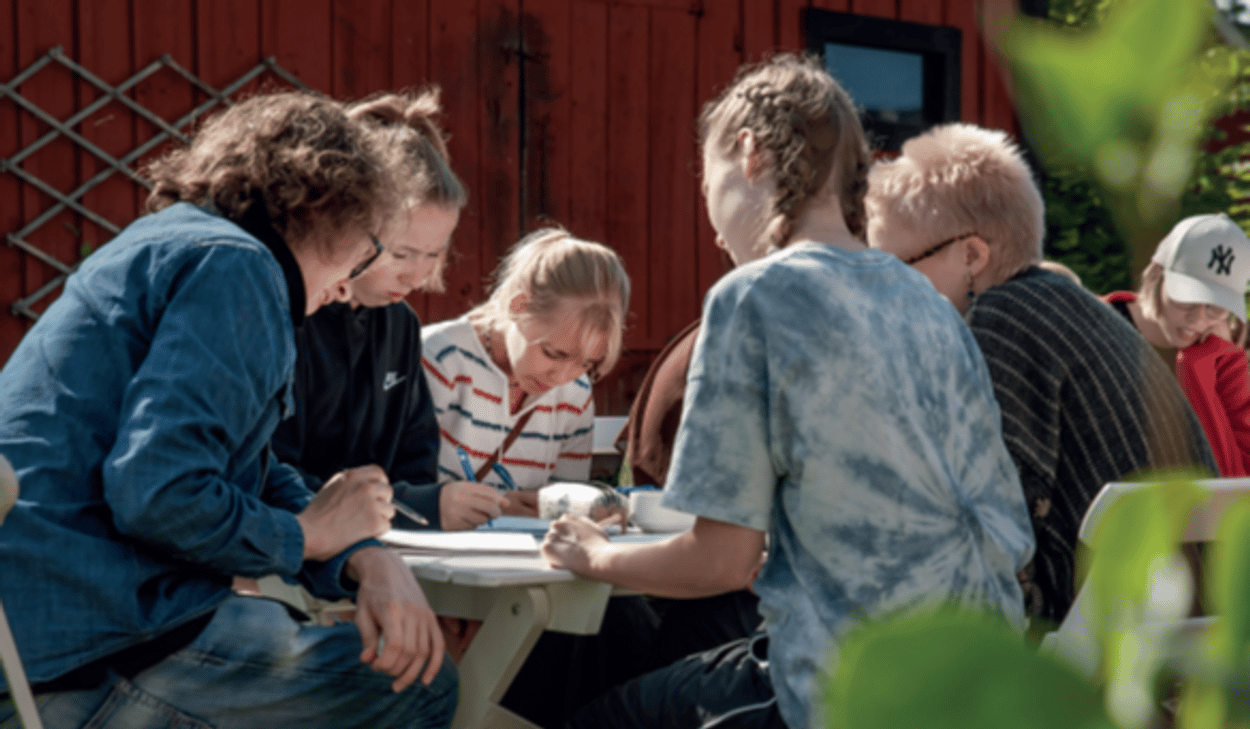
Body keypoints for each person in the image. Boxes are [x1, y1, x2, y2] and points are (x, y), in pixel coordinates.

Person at [543, 54, 1035, 729]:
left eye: (709, 181)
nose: (713, 224)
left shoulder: (755, 295)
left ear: (749, 153)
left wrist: (595, 555)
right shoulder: (929, 303)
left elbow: (721, 561)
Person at [0, 92, 457, 729]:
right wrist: (308, 536)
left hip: (45, 631)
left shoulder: (176, 240)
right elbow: (158, 492)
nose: (354, 278)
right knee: (418, 686)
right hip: (85, 649)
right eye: (373, 245)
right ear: (327, 213)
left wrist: (363, 553)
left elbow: (243, 464)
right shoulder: (238, 268)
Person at [866, 122, 1217, 625]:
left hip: (1098, 628)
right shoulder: (1064, 306)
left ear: (971, 256)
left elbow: (987, 526)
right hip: (1178, 618)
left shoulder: (1003, 319)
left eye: (895, 268)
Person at [271, 89, 506, 532]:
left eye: (434, 255)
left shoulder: (400, 325)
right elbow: (267, 473)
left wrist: (425, 502)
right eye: (401, 254)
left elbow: (415, 460)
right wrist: (418, 506)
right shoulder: (287, 316)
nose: (416, 275)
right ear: (351, 227)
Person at [421, 227, 630, 513]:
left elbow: (565, 502)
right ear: (518, 306)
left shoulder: (576, 391)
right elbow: (401, 490)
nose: (562, 378)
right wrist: (502, 506)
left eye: (586, 363)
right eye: (554, 353)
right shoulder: (439, 358)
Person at [1104, 213, 1250, 478]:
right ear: (1156, 277)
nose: (1198, 319)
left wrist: (1198, 369)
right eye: (1186, 297)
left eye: (1216, 307)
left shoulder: (1224, 358)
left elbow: (1236, 485)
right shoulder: (1095, 328)